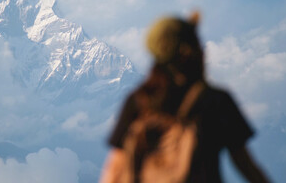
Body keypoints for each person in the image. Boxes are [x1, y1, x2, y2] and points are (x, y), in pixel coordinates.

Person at [99, 13, 271, 183]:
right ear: (187, 51)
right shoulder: (216, 100)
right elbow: (246, 165)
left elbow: (114, 169)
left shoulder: (138, 100)